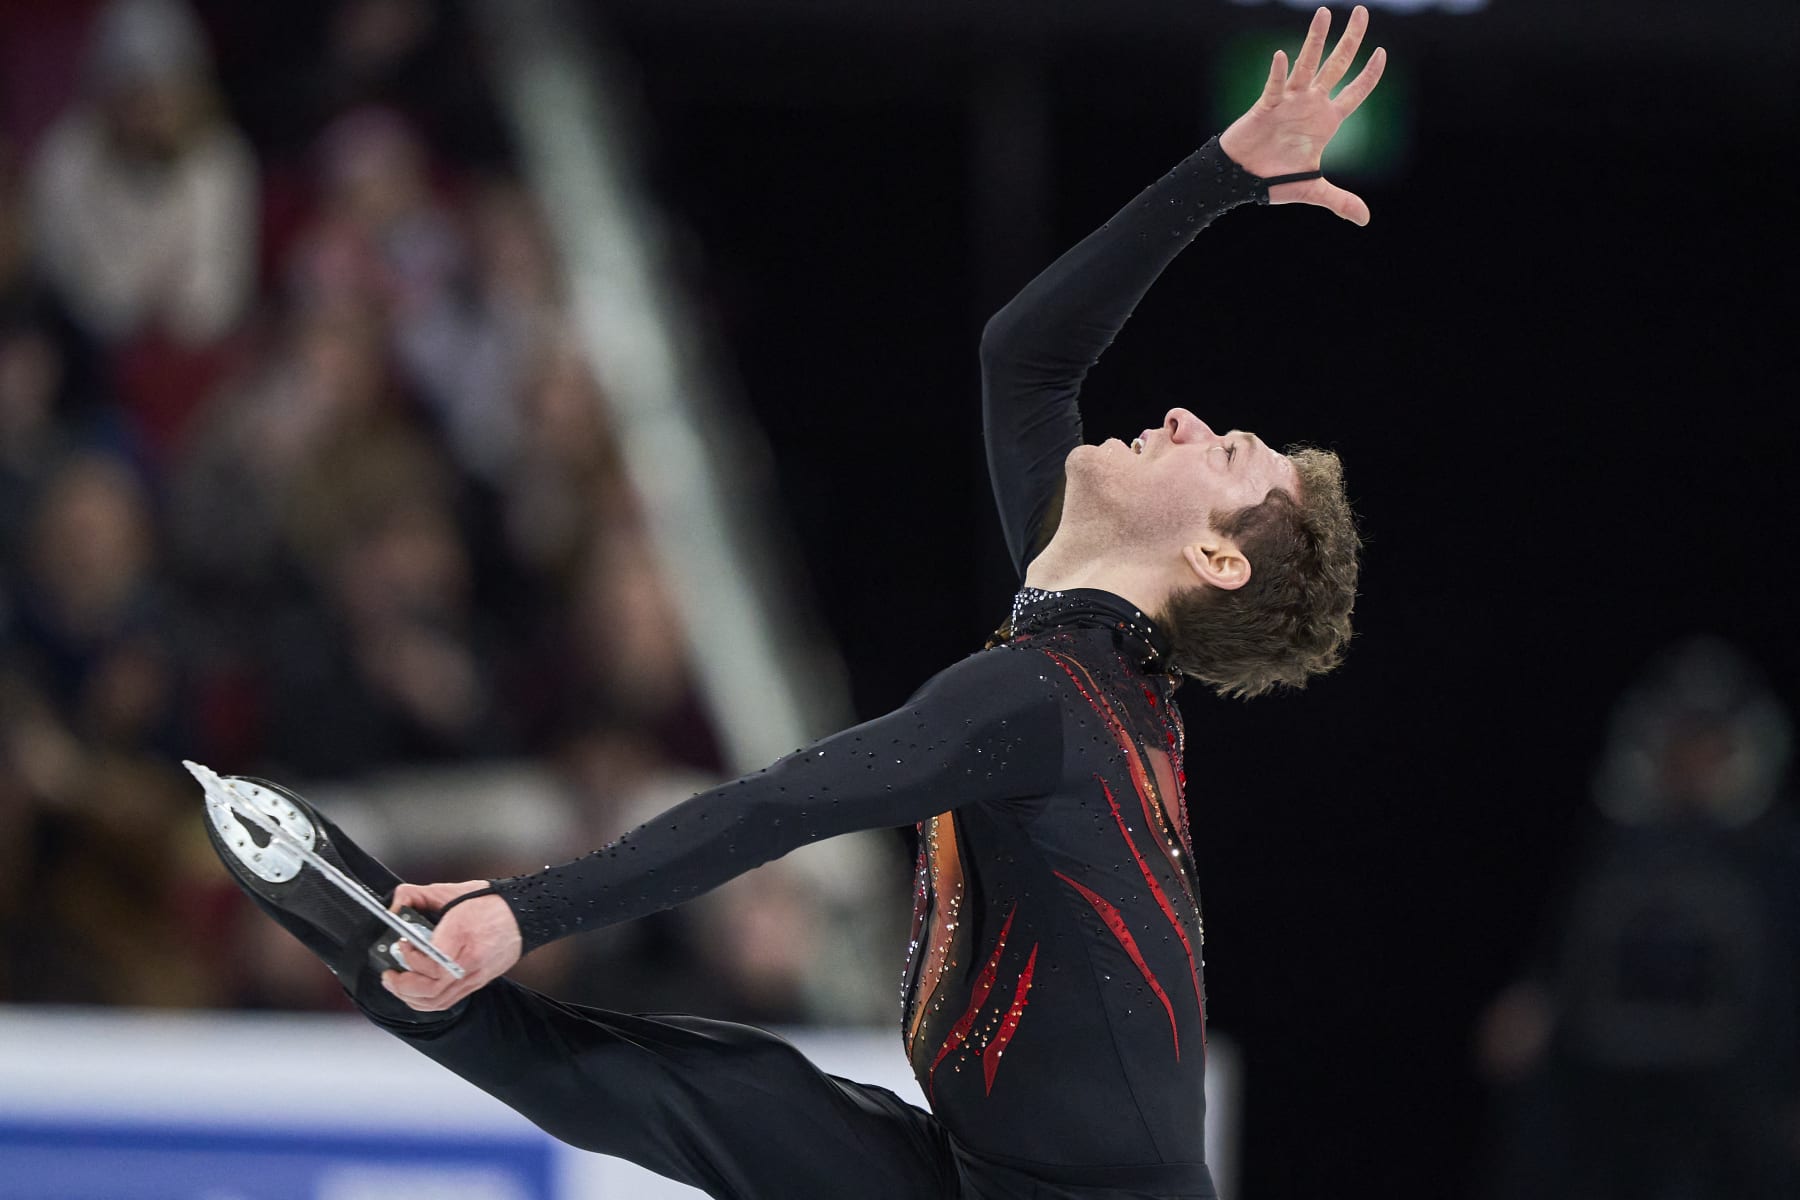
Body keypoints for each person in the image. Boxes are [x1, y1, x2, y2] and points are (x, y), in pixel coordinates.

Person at [213, 8, 1381, 1198]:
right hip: (986, 1171)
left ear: (1215, 562)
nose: (1187, 418)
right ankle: (402, 969)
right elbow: (1028, 359)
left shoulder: (1054, 697)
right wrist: (1224, 174)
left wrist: (525, 908)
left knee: (719, 1093)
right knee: (721, 1092)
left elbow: (790, 801)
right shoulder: (1074, 637)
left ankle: (437, 966)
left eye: (1228, 450)